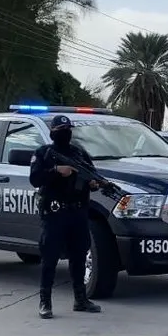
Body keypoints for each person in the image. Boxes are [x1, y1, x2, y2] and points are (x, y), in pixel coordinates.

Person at [29, 115, 103, 319]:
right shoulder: (44, 153)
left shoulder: (79, 153)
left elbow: (91, 175)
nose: (65, 133)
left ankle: (80, 299)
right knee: (50, 259)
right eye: (61, 129)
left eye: (68, 129)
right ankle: (45, 301)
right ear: (53, 132)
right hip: (54, 213)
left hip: (77, 212)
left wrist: (93, 184)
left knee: (79, 257)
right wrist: (55, 171)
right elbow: (35, 179)